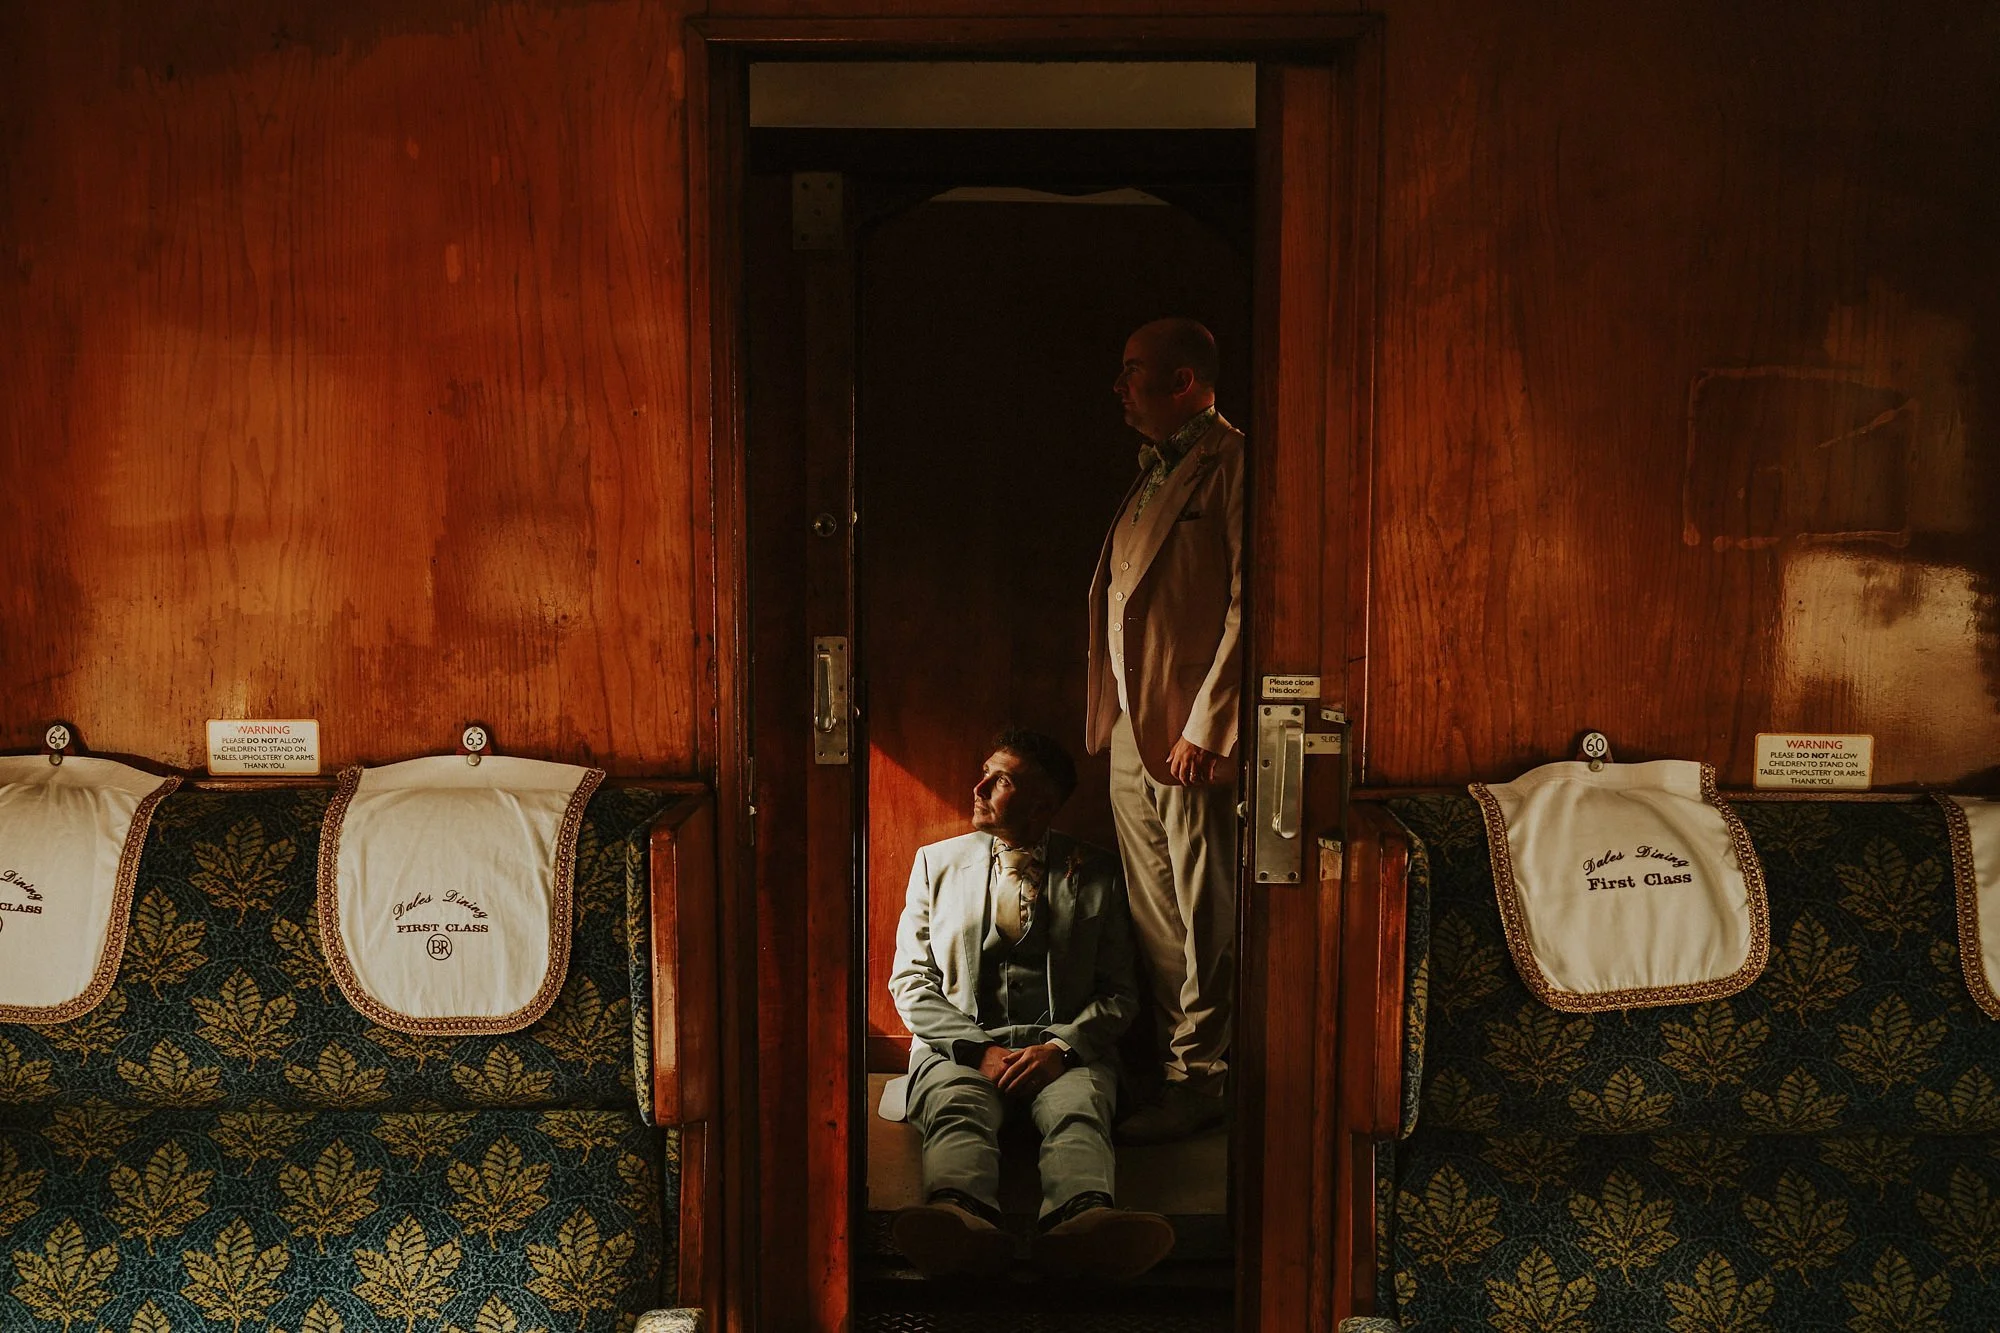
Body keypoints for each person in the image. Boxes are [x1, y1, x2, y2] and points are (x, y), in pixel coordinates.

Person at [883, 728, 1173, 1280]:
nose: (979, 786)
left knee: (1079, 1113)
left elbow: (1120, 993)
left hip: (1061, 1050)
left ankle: (1083, 1222)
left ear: (1042, 803)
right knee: (956, 1110)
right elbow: (911, 982)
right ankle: (957, 1219)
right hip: (960, 1046)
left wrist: (1062, 1048)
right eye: (985, 772)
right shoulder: (935, 864)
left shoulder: (1099, 871)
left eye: (1001, 780)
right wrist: (975, 1050)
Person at [1086, 317, 1243, 1144]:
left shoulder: (1237, 460)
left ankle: (1207, 1071)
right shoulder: (1151, 471)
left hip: (1191, 734)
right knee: (1155, 907)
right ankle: (1184, 1068)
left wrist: (1210, 726)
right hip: (1128, 725)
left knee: (1203, 901)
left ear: (1185, 382)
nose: (1119, 387)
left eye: (1134, 371)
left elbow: (1255, 605)